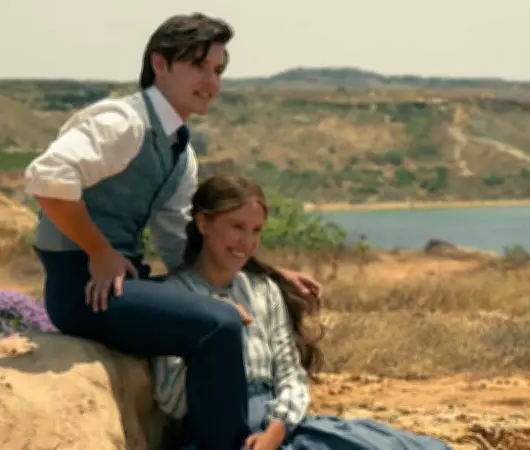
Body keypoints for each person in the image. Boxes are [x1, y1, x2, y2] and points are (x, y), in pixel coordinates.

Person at [23, 13, 323, 450]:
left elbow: (181, 241)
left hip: (125, 283)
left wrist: (271, 274)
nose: (211, 82)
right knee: (218, 324)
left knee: (221, 314)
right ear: (159, 64)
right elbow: (47, 178)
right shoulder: (122, 121)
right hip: (83, 288)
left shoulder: (180, 152)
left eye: (217, 70)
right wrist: (98, 251)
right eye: (198, 66)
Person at [152, 173, 453, 450]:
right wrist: (211, 327)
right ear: (203, 223)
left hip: (280, 429)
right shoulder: (173, 297)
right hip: (217, 436)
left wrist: (276, 430)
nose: (247, 242)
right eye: (237, 227)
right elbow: (171, 400)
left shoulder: (263, 291)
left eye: (256, 230)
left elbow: (290, 374)